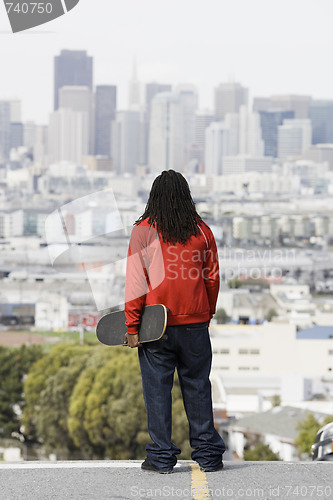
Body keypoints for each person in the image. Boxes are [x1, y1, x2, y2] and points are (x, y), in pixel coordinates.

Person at [124, 169, 225, 474]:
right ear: (186, 196)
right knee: (198, 387)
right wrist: (206, 313)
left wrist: (132, 327)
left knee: (157, 391)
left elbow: (135, 283)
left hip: (156, 327)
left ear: (153, 197)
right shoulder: (202, 230)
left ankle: (161, 457)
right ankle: (208, 456)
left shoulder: (143, 230)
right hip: (195, 324)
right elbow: (212, 278)